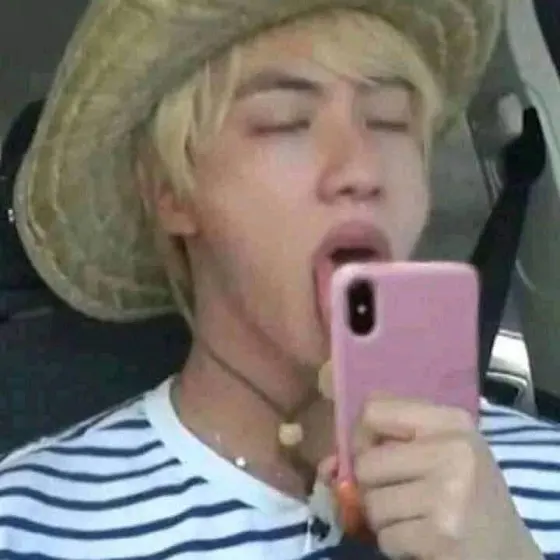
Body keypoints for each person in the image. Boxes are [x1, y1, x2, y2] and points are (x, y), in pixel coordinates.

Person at [1, 0, 560, 558]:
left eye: (390, 120)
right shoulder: (27, 523)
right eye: (285, 121)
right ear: (171, 193)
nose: (363, 169)